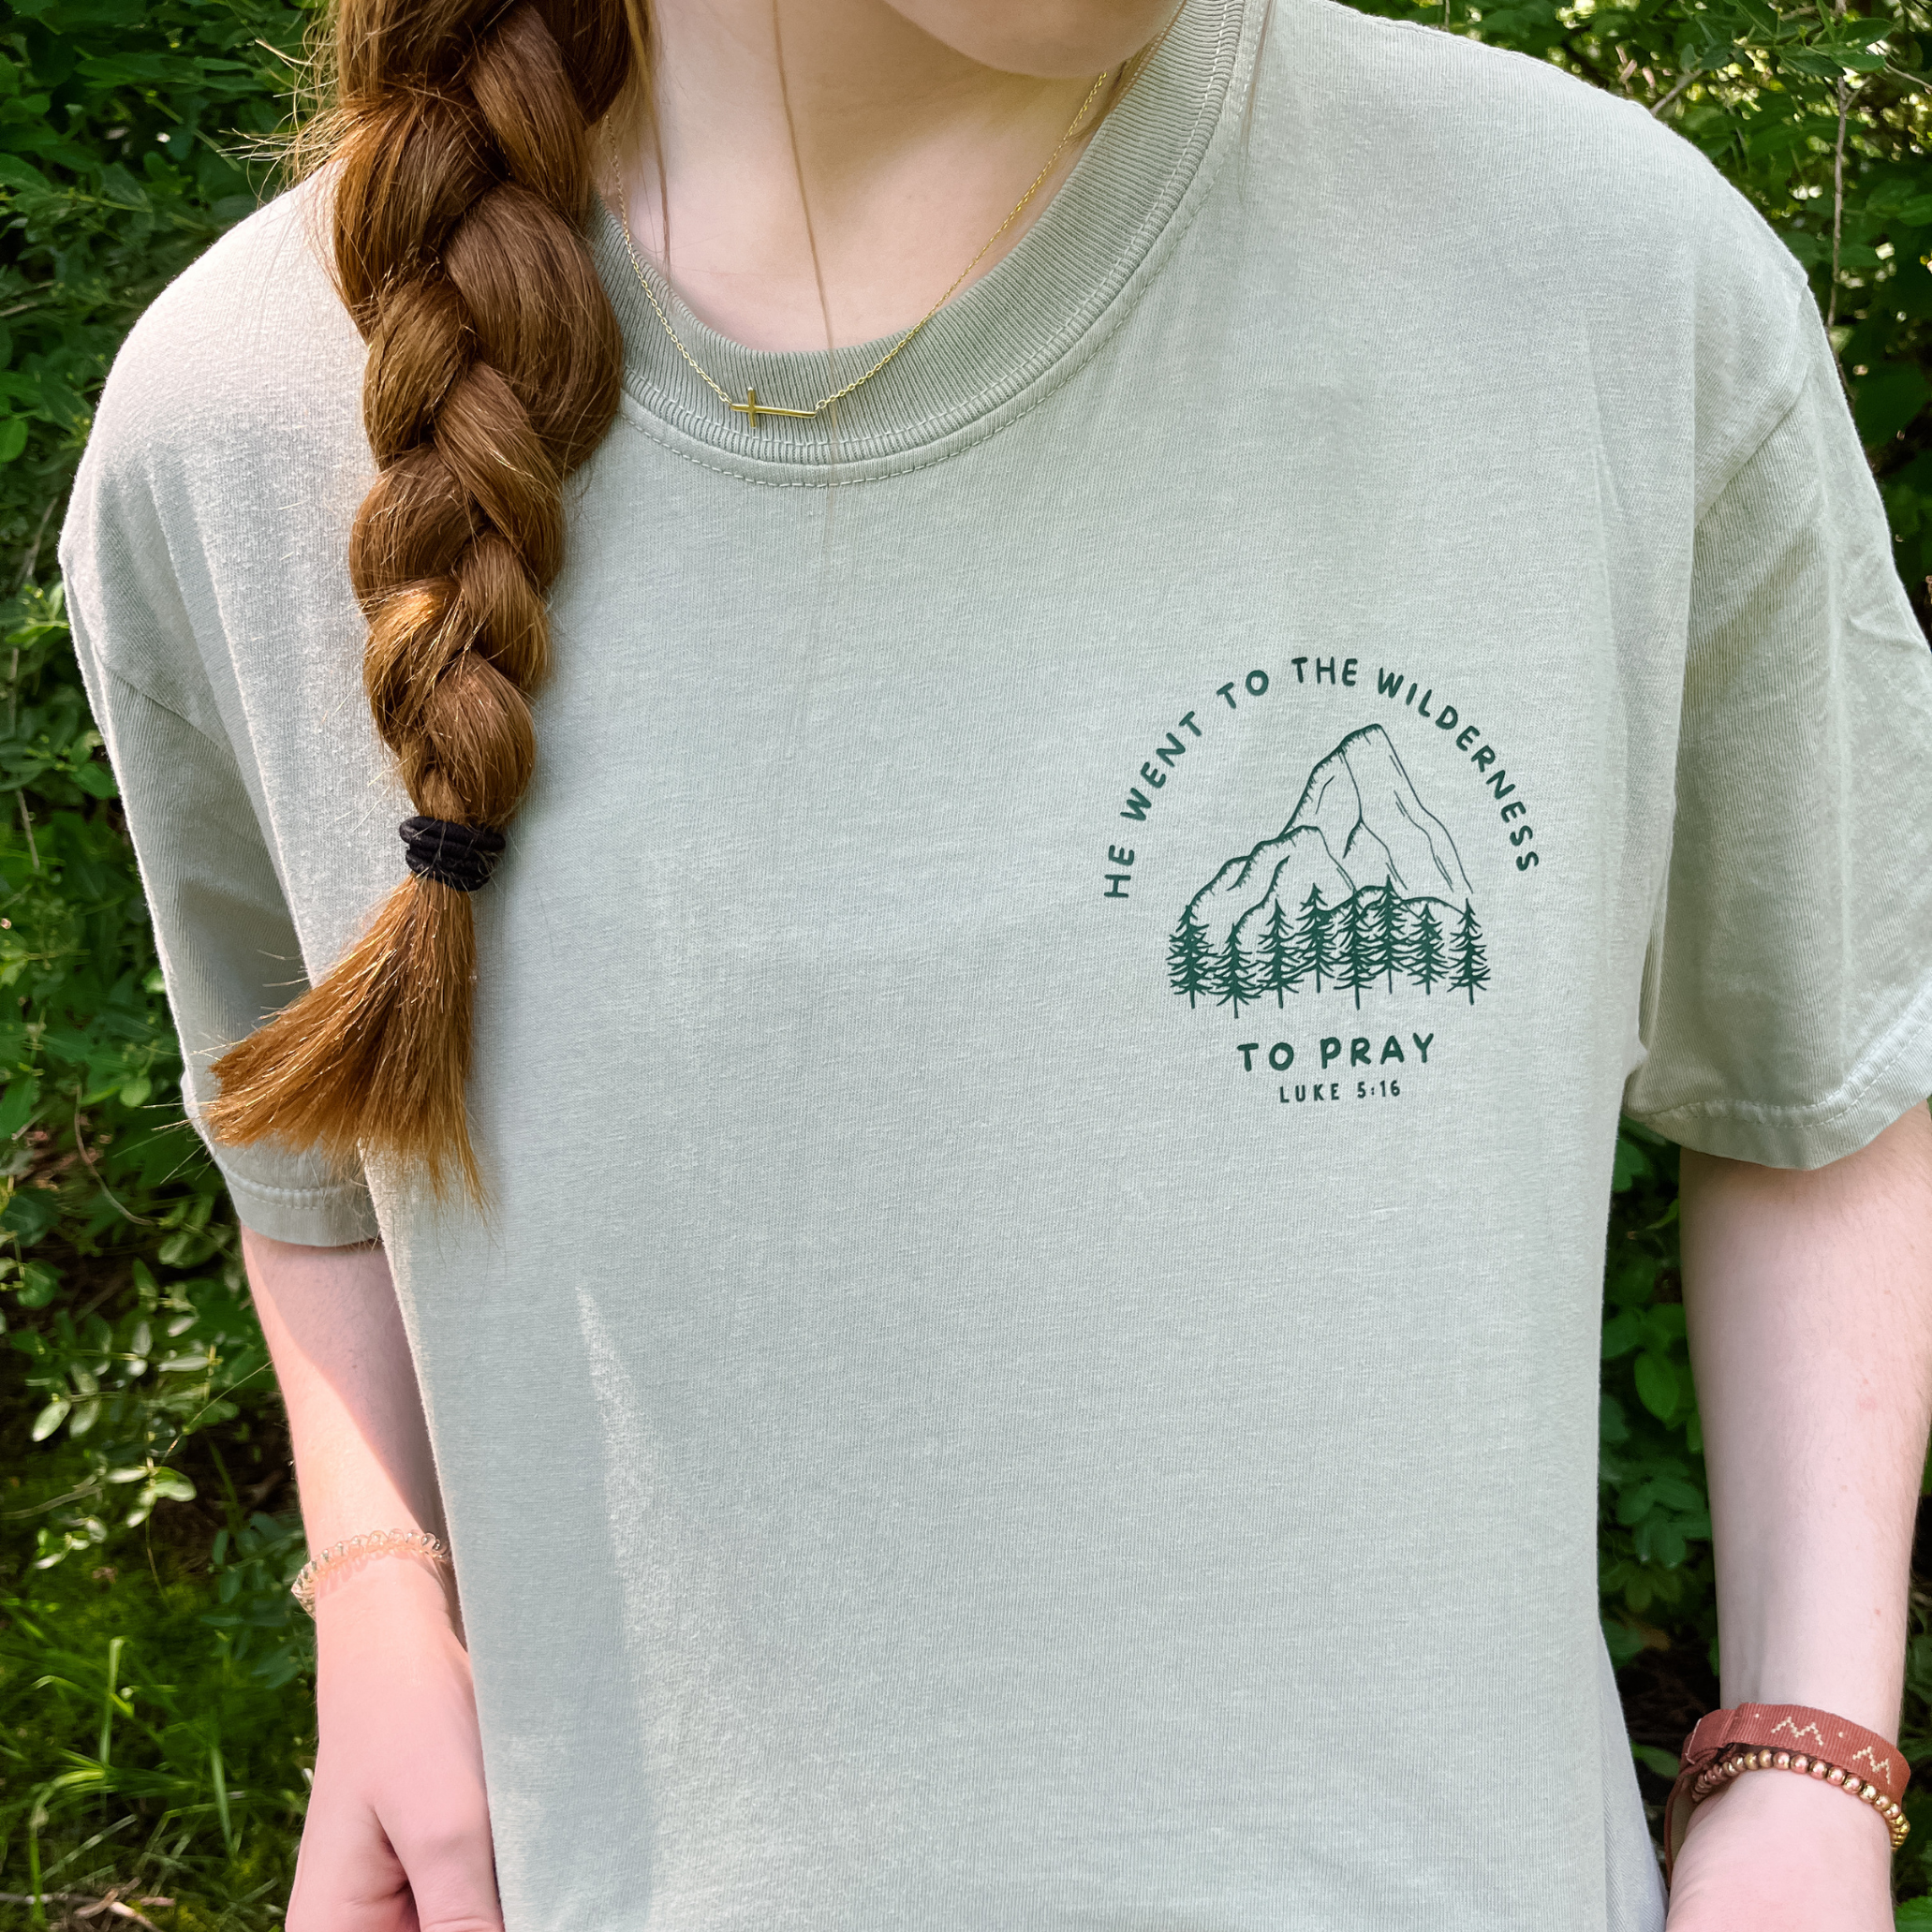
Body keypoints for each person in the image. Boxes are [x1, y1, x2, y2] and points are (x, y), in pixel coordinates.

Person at [53, 0, 1932, 1922]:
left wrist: (1807, 1768)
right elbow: (313, 1148)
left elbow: (1824, 1072)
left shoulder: (1603, 285)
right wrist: (376, 1575)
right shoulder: (244, 429)